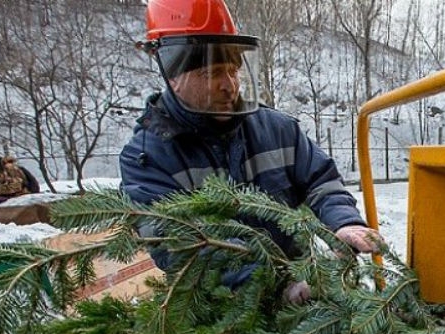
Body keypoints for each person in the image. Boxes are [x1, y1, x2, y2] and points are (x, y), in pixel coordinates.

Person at [120, 0, 381, 302]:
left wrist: (343, 221)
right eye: (213, 73)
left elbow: (322, 181)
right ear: (173, 75)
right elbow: (180, 246)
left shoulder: (278, 129)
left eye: (233, 71)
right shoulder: (147, 158)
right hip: (215, 309)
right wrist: (275, 284)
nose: (229, 85)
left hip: (299, 286)